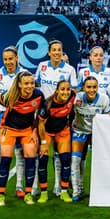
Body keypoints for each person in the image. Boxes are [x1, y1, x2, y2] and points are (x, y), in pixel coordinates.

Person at [34, 39, 77, 196]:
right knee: (42, 154)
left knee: (61, 156)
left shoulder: (70, 69)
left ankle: (59, 186)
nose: (57, 52)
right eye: (54, 50)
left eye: (60, 50)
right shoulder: (42, 66)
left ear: (62, 52)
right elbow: (36, 84)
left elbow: (74, 89)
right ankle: (36, 187)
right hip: (44, 115)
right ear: (49, 52)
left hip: (61, 116)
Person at [0, 71, 42, 207]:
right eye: (26, 83)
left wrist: (35, 130)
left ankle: (27, 193)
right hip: (8, 129)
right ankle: (1, 194)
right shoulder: (10, 96)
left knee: (30, 156)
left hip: (27, 130)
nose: (30, 86)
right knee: (6, 159)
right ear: (19, 84)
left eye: (32, 83)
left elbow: (40, 115)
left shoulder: (38, 95)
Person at [0, 46, 26, 198]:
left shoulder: (23, 74)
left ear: (17, 58)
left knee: (19, 152)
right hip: (0, 117)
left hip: (18, 117)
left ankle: (19, 186)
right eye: (5, 59)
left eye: (11, 58)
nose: (8, 62)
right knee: (0, 153)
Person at [72, 76, 110, 201]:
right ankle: (77, 190)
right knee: (76, 160)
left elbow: (107, 119)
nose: (92, 90)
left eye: (94, 87)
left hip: (96, 133)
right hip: (80, 131)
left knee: (100, 160)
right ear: (83, 87)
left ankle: (101, 189)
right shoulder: (77, 98)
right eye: (89, 87)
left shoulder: (104, 99)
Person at [38, 79, 76, 203]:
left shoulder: (72, 96)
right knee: (43, 160)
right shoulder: (48, 104)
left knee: (66, 159)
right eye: (62, 89)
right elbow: (41, 124)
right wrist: (43, 143)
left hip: (62, 132)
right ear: (57, 91)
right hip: (47, 132)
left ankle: (64, 191)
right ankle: (43, 193)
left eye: (67, 89)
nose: (66, 92)